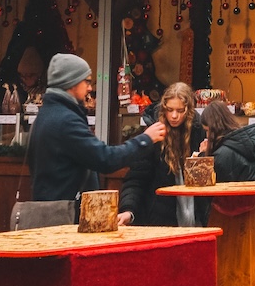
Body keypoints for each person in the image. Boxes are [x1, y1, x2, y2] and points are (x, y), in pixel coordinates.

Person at [26, 53, 166, 204]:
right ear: (71, 82)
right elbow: (105, 159)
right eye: (86, 81)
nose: (89, 88)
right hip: (62, 214)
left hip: (52, 208)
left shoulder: (46, 114)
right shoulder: (66, 120)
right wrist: (145, 139)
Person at [119, 82, 205, 226]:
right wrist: (129, 210)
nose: (174, 116)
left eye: (180, 110)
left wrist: (204, 155)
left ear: (188, 110)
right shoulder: (153, 135)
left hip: (195, 217)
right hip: (159, 217)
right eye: (169, 110)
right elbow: (136, 178)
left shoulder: (198, 133)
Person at [199, 98, 255, 182]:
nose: (207, 135)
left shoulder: (222, 155)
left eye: (207, 131)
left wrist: (203, 157)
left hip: (235, 194)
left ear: (214, 128)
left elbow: (207, 186)